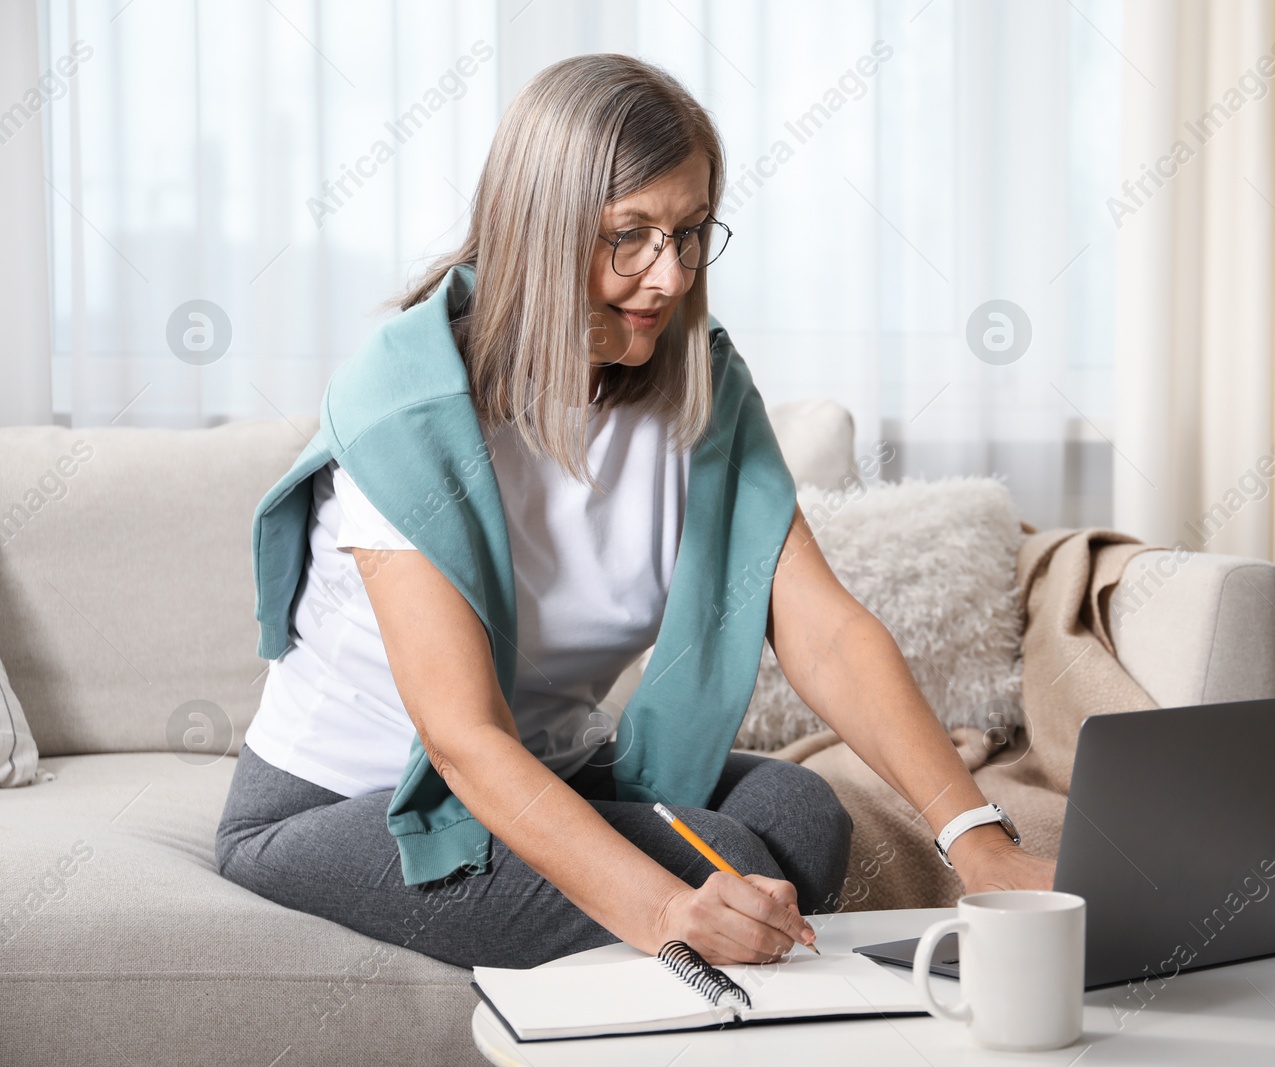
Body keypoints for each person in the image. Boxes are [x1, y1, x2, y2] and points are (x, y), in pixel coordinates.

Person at [215, 53, 1051, 971]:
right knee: (728, 862)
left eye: (691, 232)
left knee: (799, 815)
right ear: (537, 230)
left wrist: (979, 844)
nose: (671, 276)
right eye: (631, 235)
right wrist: (665, 910)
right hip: (346, 801)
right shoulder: (405, 412)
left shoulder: (701, 392)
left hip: (554, 764)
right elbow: (463, 740)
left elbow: (828, 635)